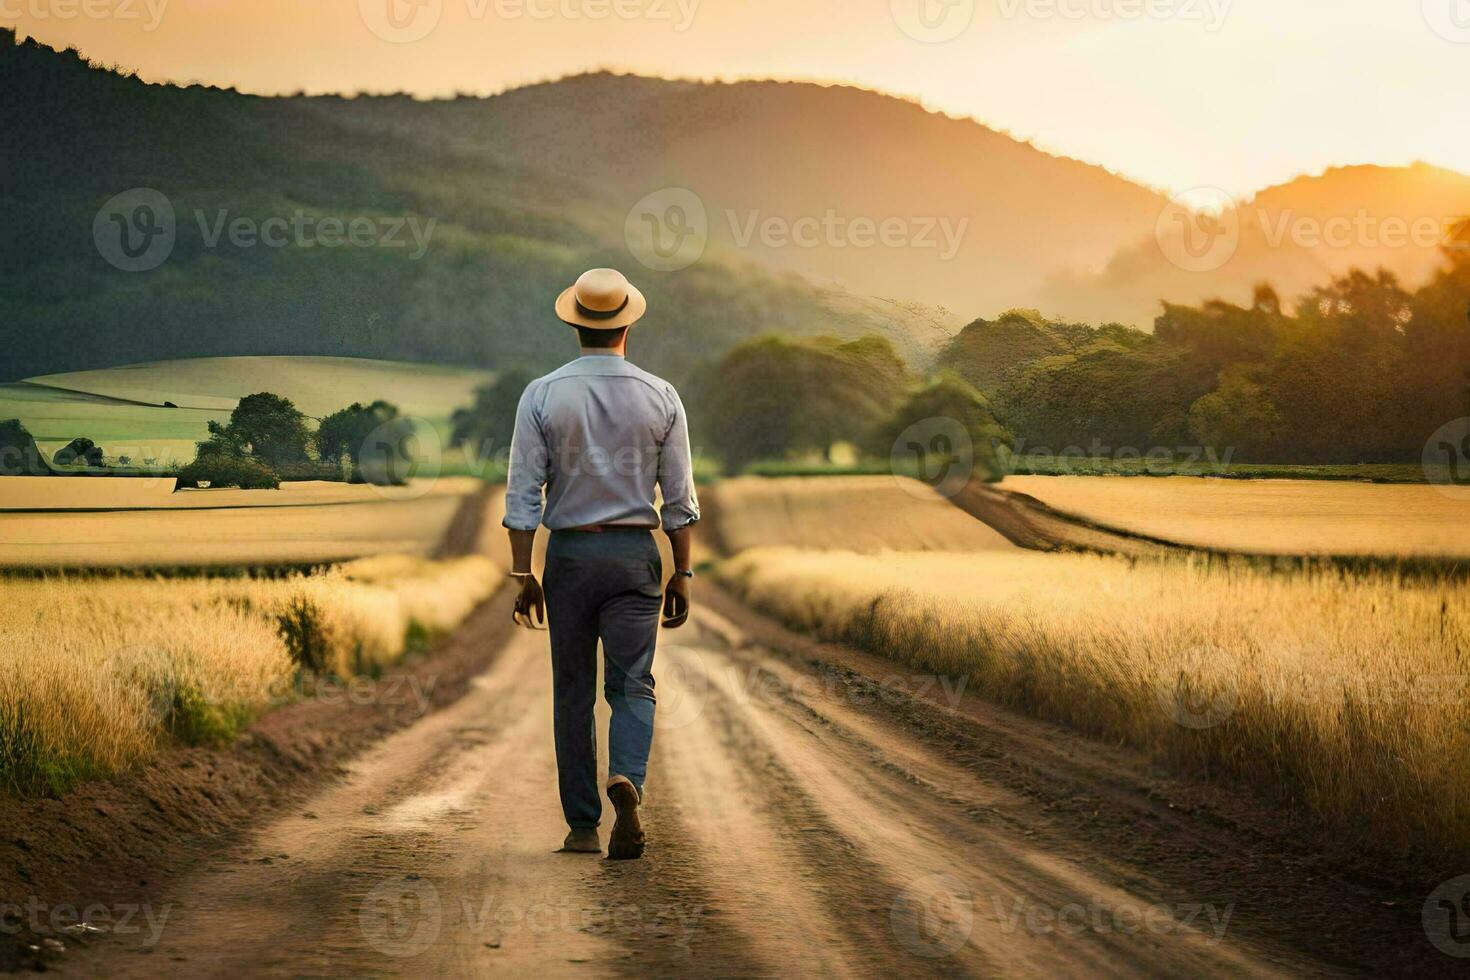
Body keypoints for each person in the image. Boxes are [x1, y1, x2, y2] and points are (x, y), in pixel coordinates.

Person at [502, 267, 700, 861]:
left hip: (570, 557)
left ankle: (583, 826)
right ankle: (629, 781)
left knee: (572, 691)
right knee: (633, 682)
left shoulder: (541, 394)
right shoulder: (661, 395)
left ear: (573, 323)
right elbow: (680, 500)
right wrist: (681, 572)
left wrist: (523, 575)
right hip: (634, 556)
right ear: (629, 322)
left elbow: (521, 498)